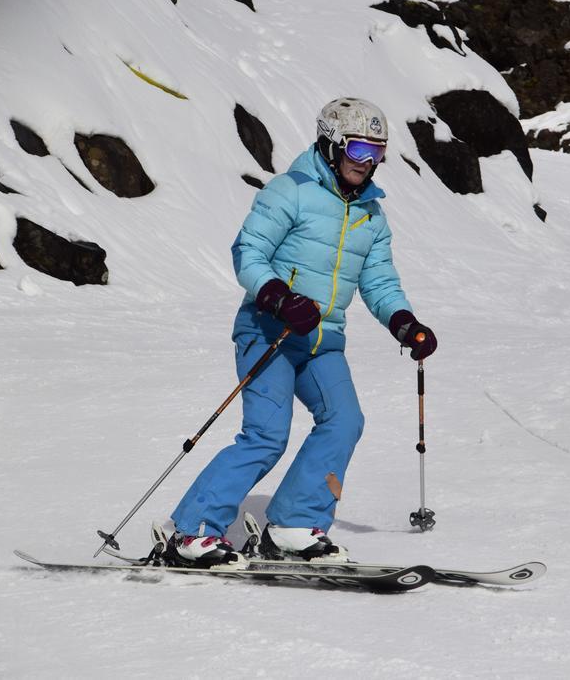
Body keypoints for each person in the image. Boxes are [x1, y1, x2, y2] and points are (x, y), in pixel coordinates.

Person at [166, 98, 437, 569]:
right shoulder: (289, 191)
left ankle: (293, 523)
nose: (367, 163)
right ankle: (193, 532)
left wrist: (404, 322)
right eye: (358, 150)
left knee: (344, 421)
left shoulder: (372, 214)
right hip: (268, 329)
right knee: (266, 436)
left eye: (377, 153)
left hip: (321, 340)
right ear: (332, 144)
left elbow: (378, 280)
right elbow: (248, 250)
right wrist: (277, 296)